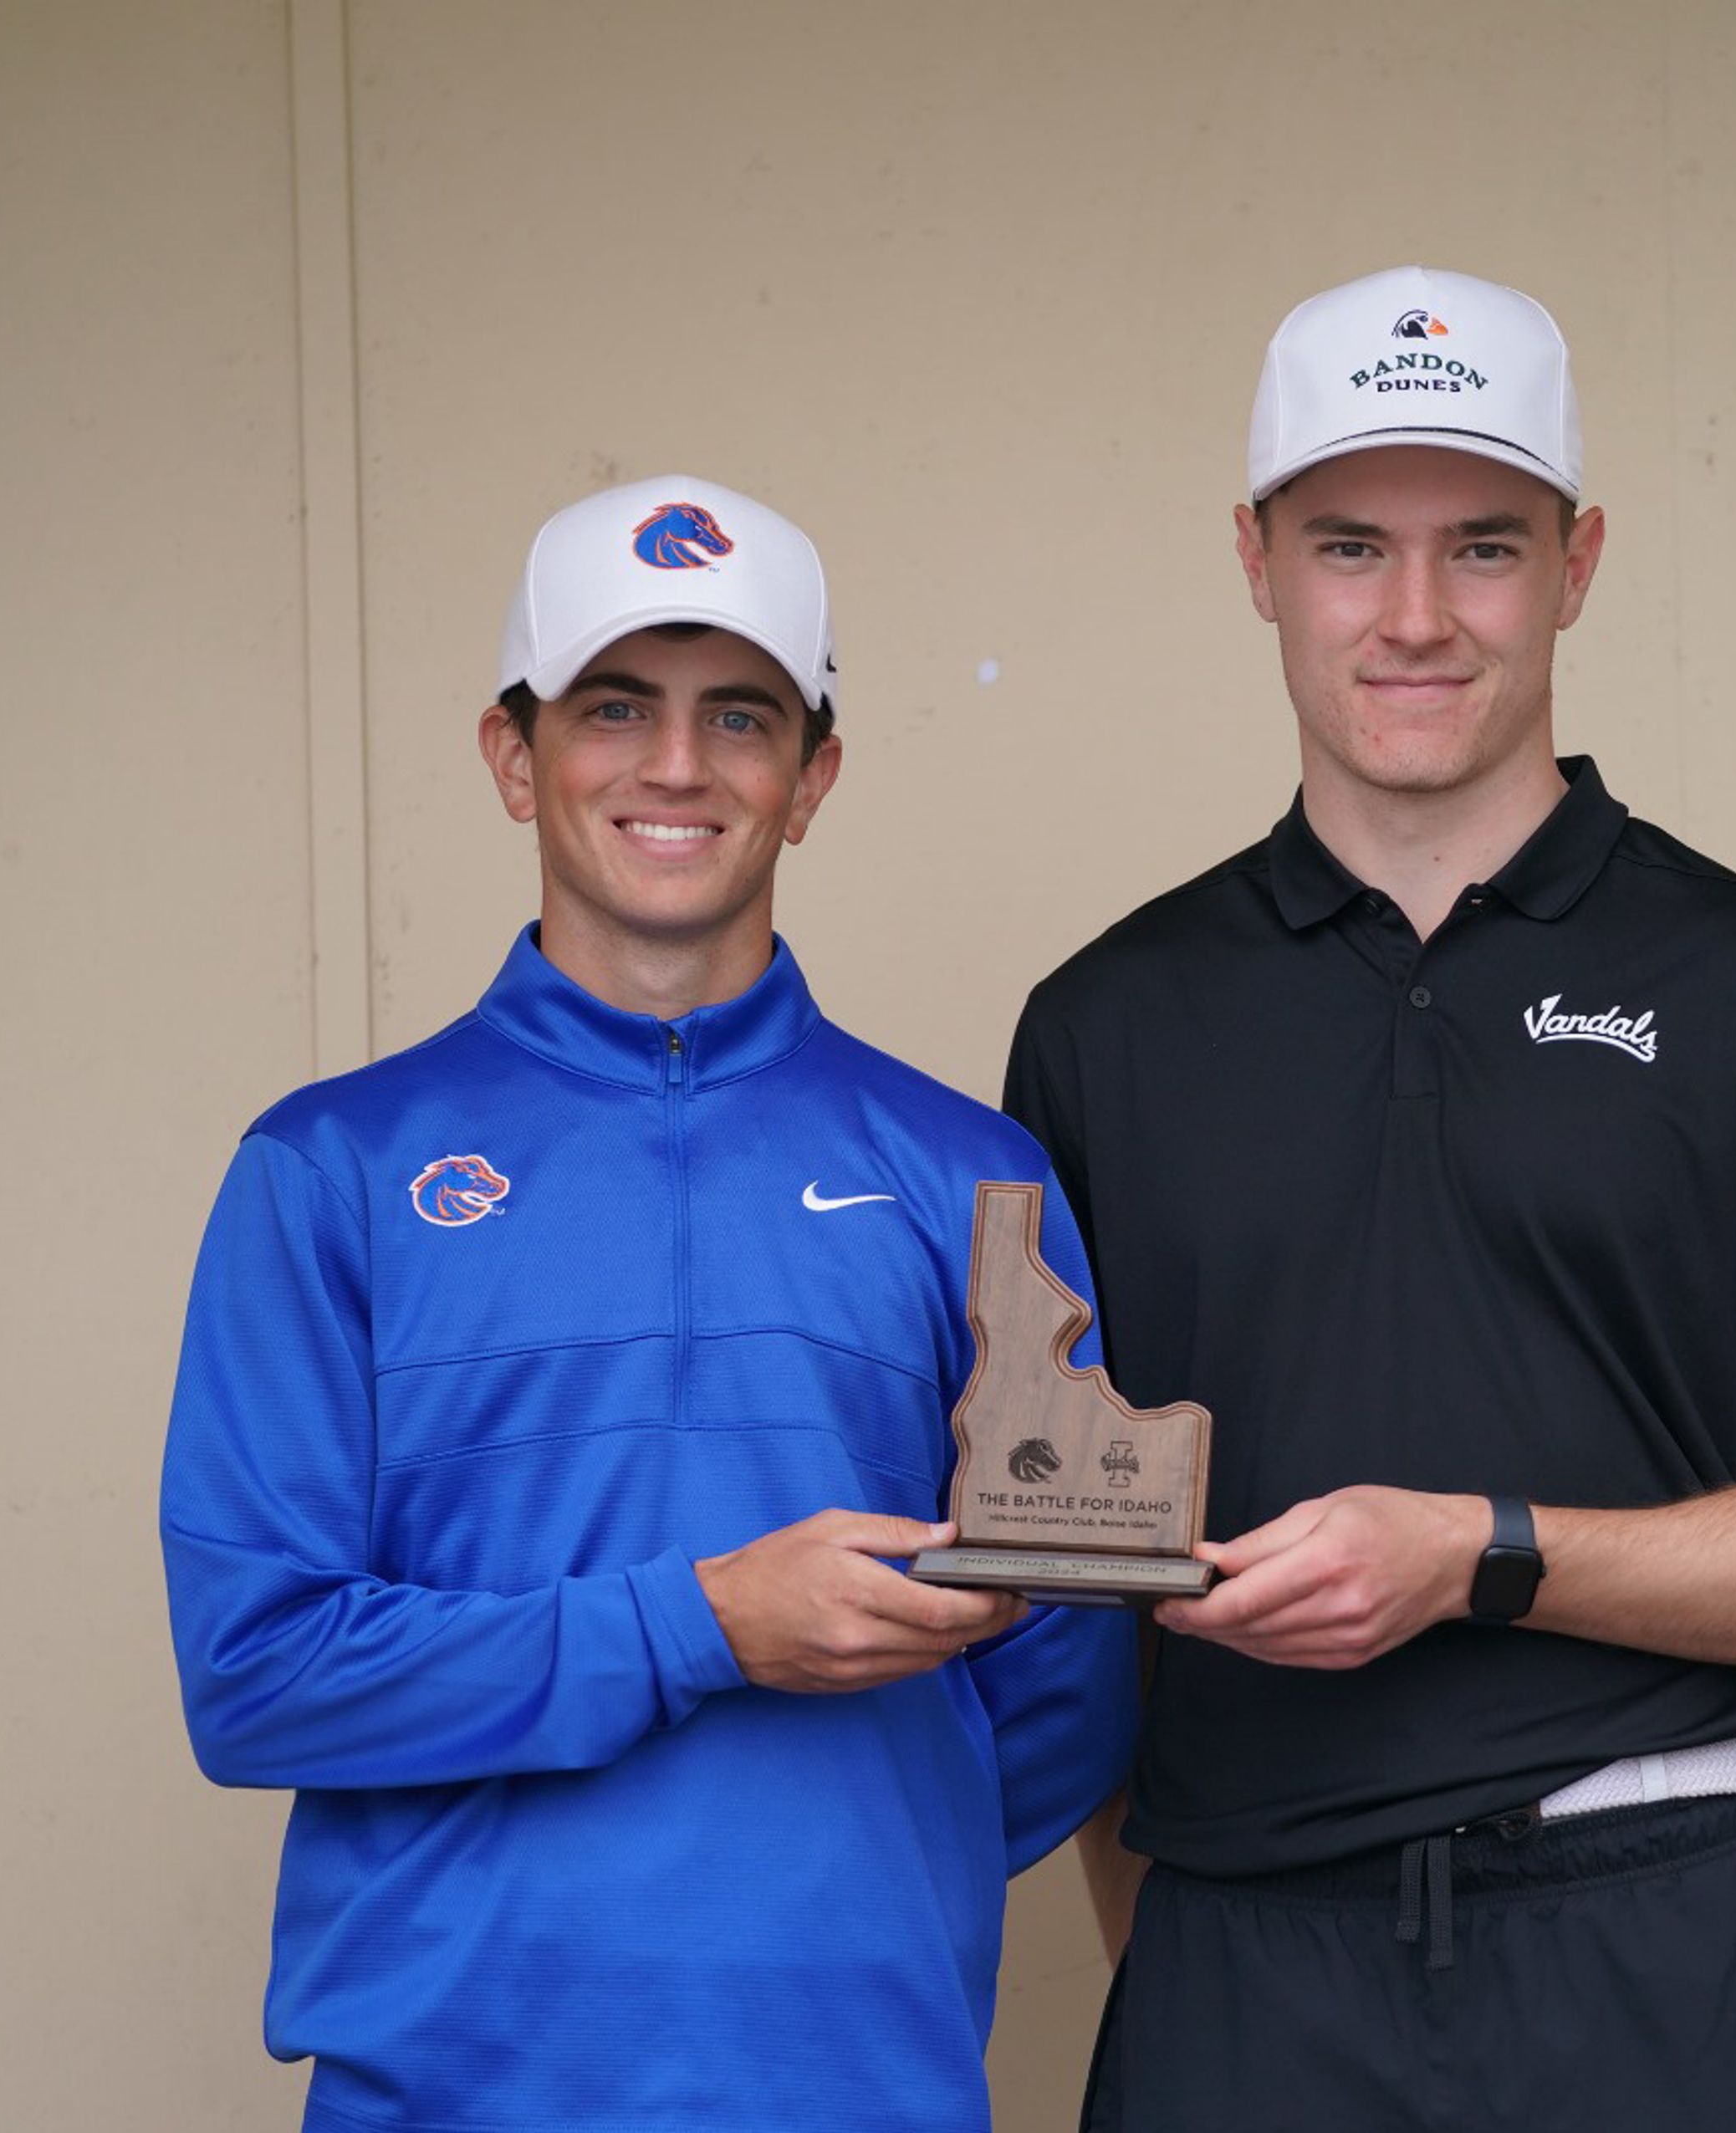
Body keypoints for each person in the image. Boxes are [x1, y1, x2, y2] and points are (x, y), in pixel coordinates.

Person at [1004, 268, 1736, 2131]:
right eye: (1346, 546)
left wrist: (1484, 1553)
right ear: (1253, 559)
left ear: (1579, 561)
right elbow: (1075, 1569)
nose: (1413, 617)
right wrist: (1188, 1940)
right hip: (1245, 1965)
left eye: (1482, 545)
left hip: (1671, 1947)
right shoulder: (1104, 1027)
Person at [161, 475, 1135, 2133]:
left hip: (860, 2087)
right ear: (510, 753)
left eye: (737, 715)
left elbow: (1072, 1662)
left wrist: (841, 1882)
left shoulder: (971, 1176)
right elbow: (259, 1671)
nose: (676, 768)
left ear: (811, 775)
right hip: (446, 2095)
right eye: (615, 705)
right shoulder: (331, 1170)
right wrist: (701, 1627)